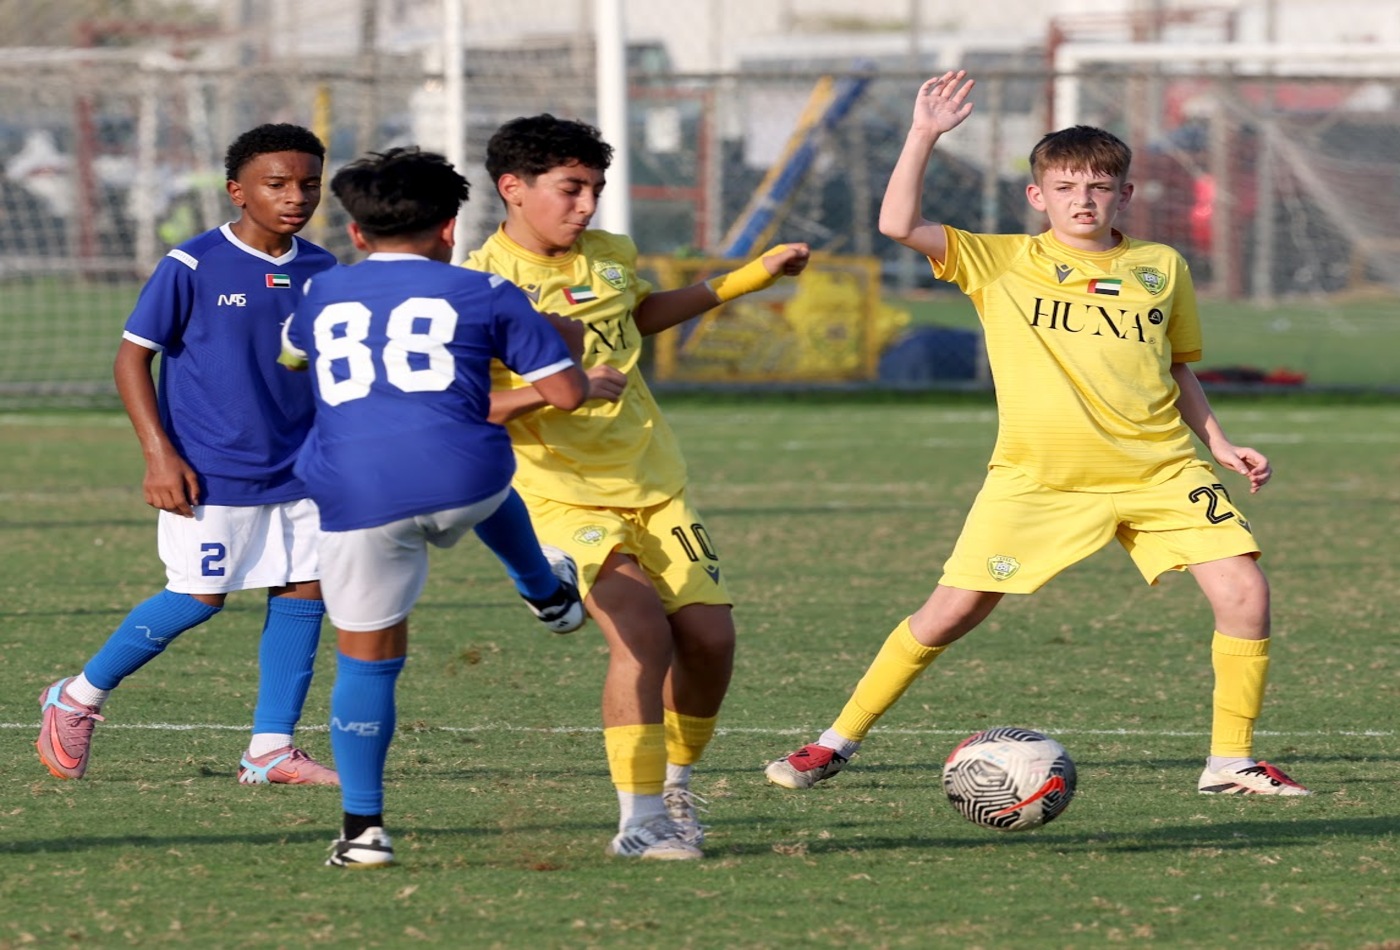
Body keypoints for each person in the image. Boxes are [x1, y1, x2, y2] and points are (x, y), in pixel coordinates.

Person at [765, 71, 1310, 799]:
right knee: (950, 612)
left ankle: (1229, 762)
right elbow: (898, 224)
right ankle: (834, 743)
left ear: (1125, 194)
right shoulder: (1002, 262)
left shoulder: (1160, 268)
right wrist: (924, 132)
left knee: (1245, 591)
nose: (1082, 200)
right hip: (1039, 478)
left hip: (1160, 469)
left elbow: (1174, 368)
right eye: (1065, 187)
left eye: (1098, 187)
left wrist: (1216, 440)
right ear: (1038, 195)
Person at [466, 114, 811, 860]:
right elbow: (467, 406)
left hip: (655, 482)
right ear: (513, 189)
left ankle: (676, 785)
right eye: (571, 189)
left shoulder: (610, 256)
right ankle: (640, 821)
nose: (586, 205)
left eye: (595, 188)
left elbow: (640, 315)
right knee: (642, 635)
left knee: (711, 641)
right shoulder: (481, 288)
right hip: (556, 493)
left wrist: (754, 275)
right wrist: (561, 390)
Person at [280, 146, 589, 868]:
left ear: (355, 235)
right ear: (452, 228)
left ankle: (364, 835)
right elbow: (568, 395)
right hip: (466, 481)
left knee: (367, 659)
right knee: (487, 487)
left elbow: (294, 357)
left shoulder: (323, 292)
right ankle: (545, 591)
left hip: (357, 496)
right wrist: (563, 343)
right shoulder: (486, 291)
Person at [37, 124, 342, 787]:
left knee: (304, 593)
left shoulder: (323, 270)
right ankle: (78, 696)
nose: (296, 197)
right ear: (238, 191)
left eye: (309, 185)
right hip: (213, 469)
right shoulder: (194, 264)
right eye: (278, 184)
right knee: (199, 598)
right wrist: (157, 455)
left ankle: (269, 749)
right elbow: (131, 359)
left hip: (303, 470)